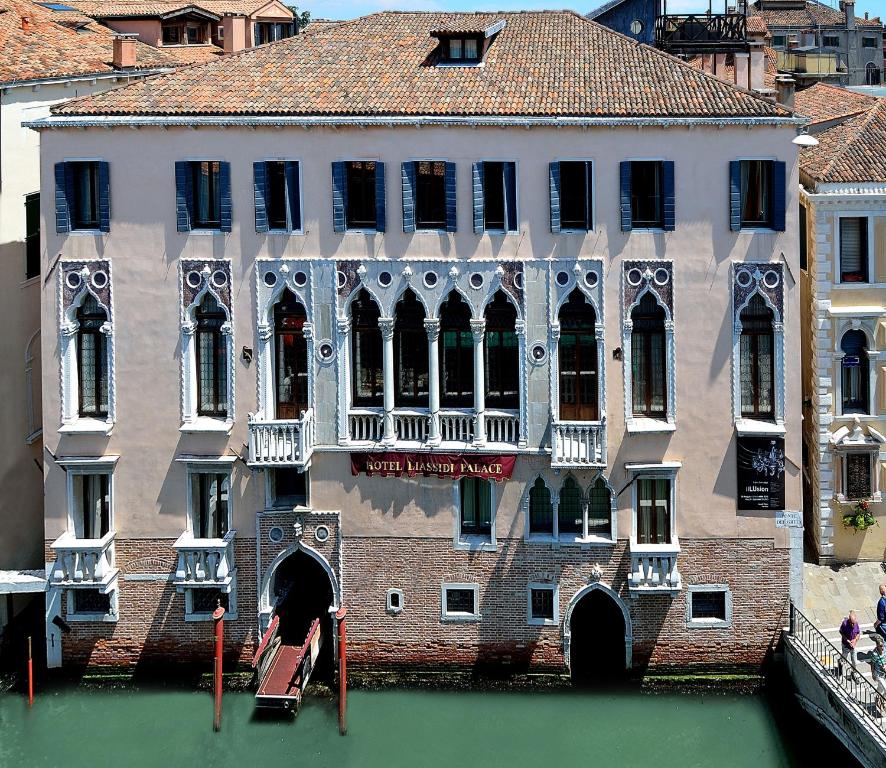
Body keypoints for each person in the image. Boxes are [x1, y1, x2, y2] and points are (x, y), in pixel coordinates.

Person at [839, 610, 861, 682]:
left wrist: (855, 640)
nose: (852, 625)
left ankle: (853, 673)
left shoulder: (856, 624)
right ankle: (840, 665)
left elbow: (858, 634)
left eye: (853, 623)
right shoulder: (844, 624)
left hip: (853, 646)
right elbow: (841, 632)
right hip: (846, 645)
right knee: (843, 659)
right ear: (849, 620)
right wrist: (847, 640)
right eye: (851, 623)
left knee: (854, 661)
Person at [869, 635, 886, 714]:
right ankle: (883, 701)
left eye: (882, 645)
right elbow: (872, 663)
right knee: (885, 688)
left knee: (881, 688)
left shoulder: (885, 650)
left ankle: (877, 697)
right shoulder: (874, 654)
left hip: (884, 673)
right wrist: (872, 673)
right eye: (880, 646)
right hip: (878, 674)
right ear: (877, 646)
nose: (882, 647)